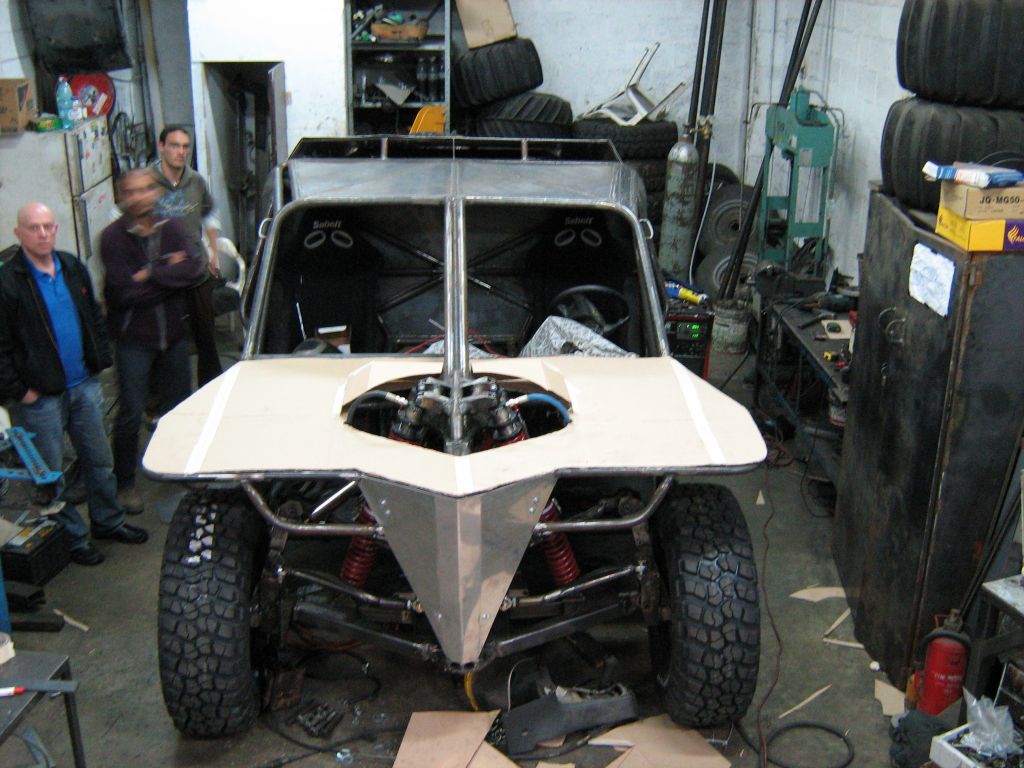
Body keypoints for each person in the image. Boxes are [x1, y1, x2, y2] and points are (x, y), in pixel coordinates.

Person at [0, 203, 148, 565]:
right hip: (39, 399)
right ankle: (73, 539)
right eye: (34, 227)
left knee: (99, 462)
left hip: (83, 385)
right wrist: (20, 391)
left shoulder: (70, 266)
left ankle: (108, 522)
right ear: (18, 233)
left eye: (48, 226)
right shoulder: (8, 282)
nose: (43, 233)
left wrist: (100, 357)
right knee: (51, 477)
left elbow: (94, 314)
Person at [102, 169, 203, 513]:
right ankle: (125, 483)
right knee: (131, 413)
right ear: (121, 197)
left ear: (157, 192)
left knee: (178, 407)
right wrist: (169, 274)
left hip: (172, 336)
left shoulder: (171, 228)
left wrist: (150, 273)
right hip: (134, 340)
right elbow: (124, 293)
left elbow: (193, 271)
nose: (139, 197)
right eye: (131, 191)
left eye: (146, 189)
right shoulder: (112, 239)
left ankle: (177, 467)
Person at [152, 124, 223, 387]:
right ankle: (163, 397)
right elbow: (124, 220)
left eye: (185, 146)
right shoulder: (145, 183)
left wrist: (214, 252)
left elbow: (210, 214)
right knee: (164, 341)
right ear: (161, 147)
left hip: (196, 272)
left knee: (207, 338)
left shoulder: (196, 181)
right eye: (174, 145)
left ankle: (211, 389)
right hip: (163, 278)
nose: (181, 152)